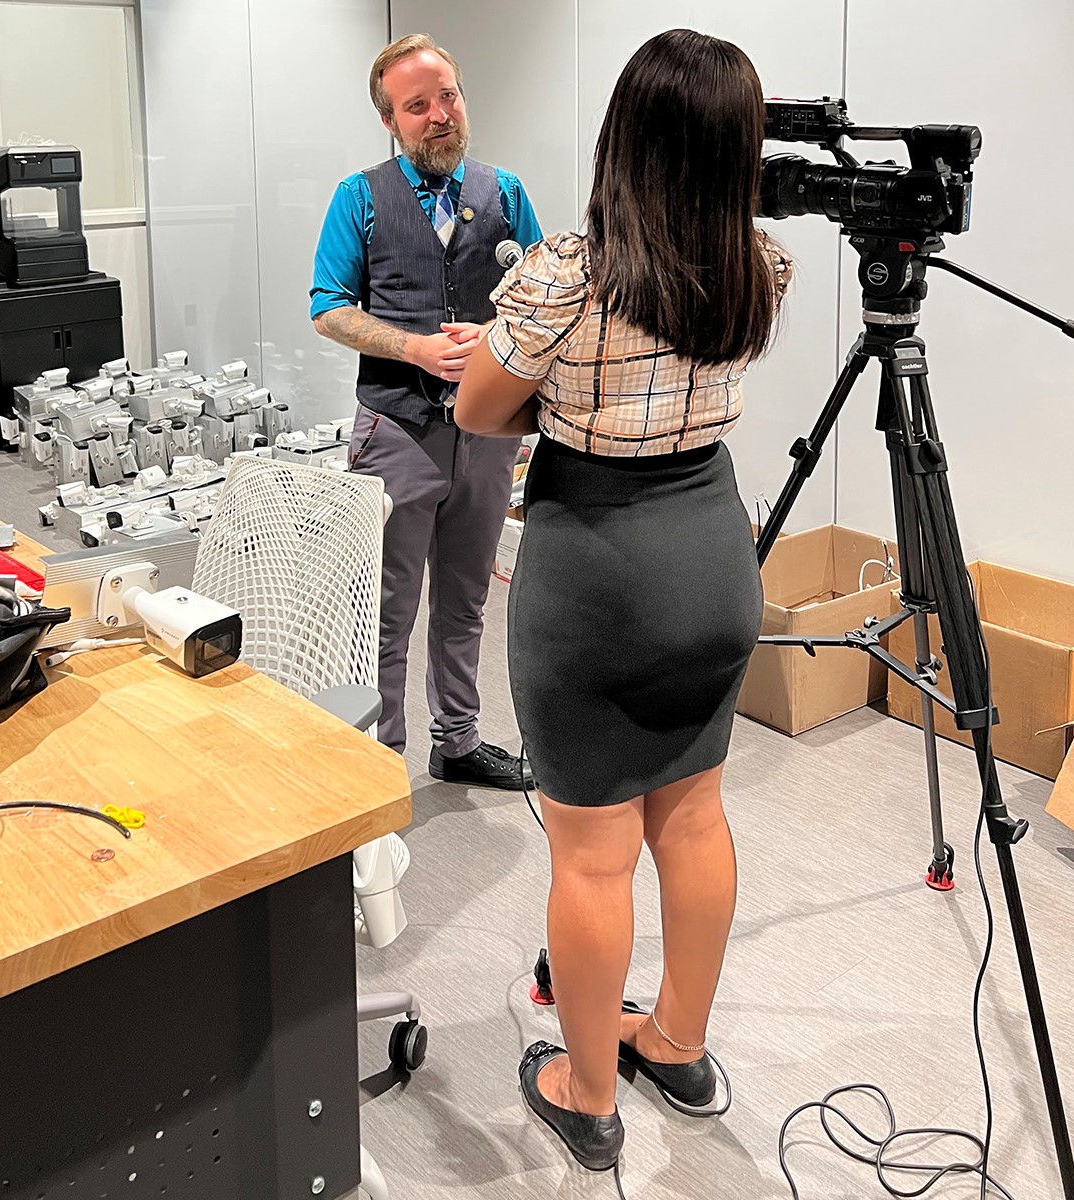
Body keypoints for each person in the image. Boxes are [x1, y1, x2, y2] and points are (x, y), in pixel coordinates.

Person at [455, 28, 792, 1172]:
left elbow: (481, 412)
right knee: (693, 815)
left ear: (625, 139)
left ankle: (585, 1090)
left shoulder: (570, 269)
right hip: (713, 552)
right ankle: (679, 1046)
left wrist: (514, 366)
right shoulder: (759, 265)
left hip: (596, 566)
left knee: (591, 854)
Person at [311, 34, 543, 789]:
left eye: (449, 96)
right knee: (387, 605)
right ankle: (378, 760)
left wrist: (498, 332)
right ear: (391, 121)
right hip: (395, 432)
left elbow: (544, 296)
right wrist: (413, 349)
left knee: (467, 597)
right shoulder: (359, 197)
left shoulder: (504, 192)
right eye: (418, 106)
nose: (440, 115)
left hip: (487, 433)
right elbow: (328, 310)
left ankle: (459, 741)